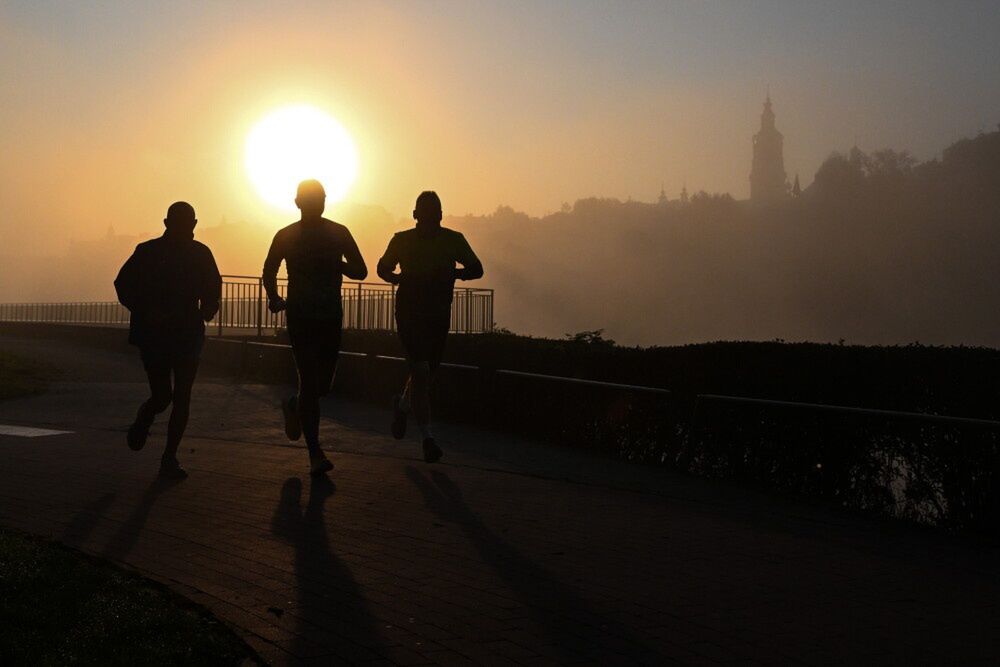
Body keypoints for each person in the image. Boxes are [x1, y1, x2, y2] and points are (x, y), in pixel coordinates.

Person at [263, 179, 367, 474]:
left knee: (321, 386)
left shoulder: (339, 233)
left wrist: (337, 264)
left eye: (318, 199)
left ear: (325, 201)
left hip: (331, 316)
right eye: (310, 200)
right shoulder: (285, 235)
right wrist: (273, 296)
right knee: (310, 381)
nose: (314, 205)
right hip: (300, 316)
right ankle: (315, 454)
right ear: (297, 204)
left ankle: (295, 405)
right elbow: (268, 269)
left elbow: (361, 270)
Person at [114, 201, 222, 479]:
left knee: (182, 396)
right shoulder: (147, 252)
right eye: (183, 224)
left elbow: (213, 287)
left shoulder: (200, 254)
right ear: (168, 224)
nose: (187, 230)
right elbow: (122, 284)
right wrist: (147, 311)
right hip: (156, 336)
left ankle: (169, 456)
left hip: (187, 334)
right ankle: (146, 417)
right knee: (164, 396)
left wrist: (208, 308)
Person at [377, 191, 483, 462]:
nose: (428, 221)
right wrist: (394, 277)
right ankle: (427, 439)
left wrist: (453, 273)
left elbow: (476, 268)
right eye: (425, 216)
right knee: (421, 371)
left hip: (437, 317)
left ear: (440, 216)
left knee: (423, 375)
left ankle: (402, 405)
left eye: (432, 216)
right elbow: (382, 266)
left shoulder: (453, 240)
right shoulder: (401, 240)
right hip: (409, 315)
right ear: (415, 216)